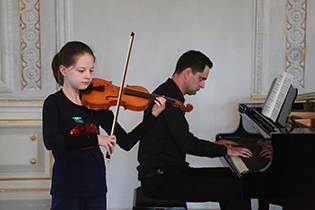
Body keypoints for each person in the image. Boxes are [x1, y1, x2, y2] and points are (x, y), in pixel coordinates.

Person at [42, 41, 166, 210]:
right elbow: (52, 141)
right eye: (81, 70)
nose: (88, 76)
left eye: (91, 70)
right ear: (63, 70)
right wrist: (95, 138)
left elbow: (127, 142)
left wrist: (152, 117)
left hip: (95, 187)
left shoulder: (99, 106)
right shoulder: (54, 103)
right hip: (67, 188)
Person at [137, 50, 253, 210]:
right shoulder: (168, 100)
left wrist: (216, 145)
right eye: (201, 79)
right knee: (234, 188)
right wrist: (225, 150)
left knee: (233, 177)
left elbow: (177, 141)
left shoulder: (169, 94)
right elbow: (187, 144)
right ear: (187, 73)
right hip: (162, 181)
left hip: (169, 174)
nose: (202, 85)